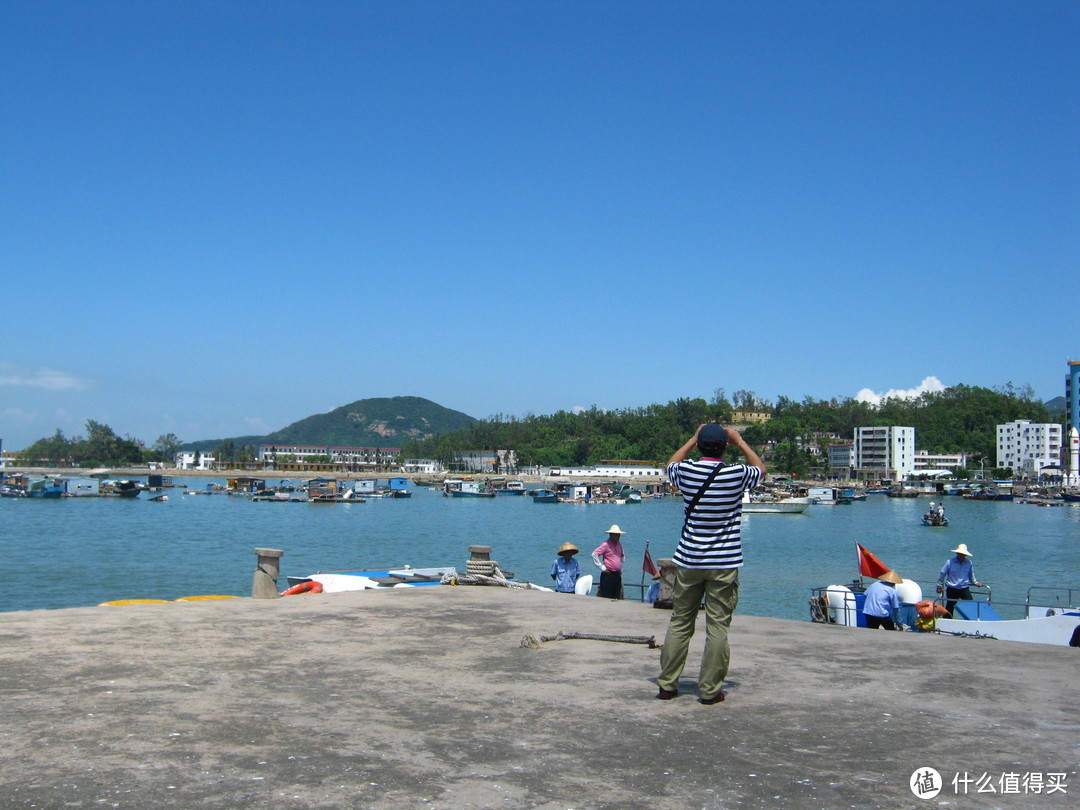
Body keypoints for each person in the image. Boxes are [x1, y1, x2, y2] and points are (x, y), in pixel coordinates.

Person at [656, 423, 765, 704]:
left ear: (701, 446)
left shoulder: (687, 472)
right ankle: (710, 690)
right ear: (725, 447)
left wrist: (692, 438)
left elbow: (670, 464)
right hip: (724, 562)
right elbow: (761, 470)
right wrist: (740, 441)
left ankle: (668, 684)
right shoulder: (737, 474)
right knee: (717, 626)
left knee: (680, 622)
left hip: (689, 560)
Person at [937, 543, 982, 616]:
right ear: (957, 553)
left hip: (964, 588)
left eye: (963, 554)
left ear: (965, 555)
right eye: (960, 553)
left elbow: (971, 574)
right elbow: (943, 573)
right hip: (952, 588)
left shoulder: (969, 563)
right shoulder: (950, 562)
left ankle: (971, 622)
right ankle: (947, 622)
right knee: (950, 607)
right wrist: (939, 586)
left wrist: (975, 582)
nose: (961, 555)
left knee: (971, 605)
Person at [591, 525, 625, 599]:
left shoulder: (619, 545)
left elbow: (622, 556)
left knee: (617, 596)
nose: (618, 536)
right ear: (611, 535)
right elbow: (594, 554)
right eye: (616, 534)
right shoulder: (605, 545)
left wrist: (621, 569)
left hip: (617, 574)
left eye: (619, 534)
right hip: (608, 574)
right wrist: (602, 567)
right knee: (607, 597)